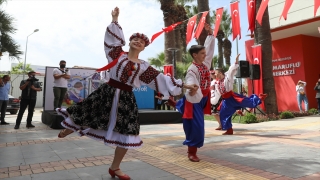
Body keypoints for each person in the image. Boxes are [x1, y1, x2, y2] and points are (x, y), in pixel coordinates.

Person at [55, 7, 198, 180]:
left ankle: (115, 167)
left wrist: (186, 86)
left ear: (144, 47)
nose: (138, 41)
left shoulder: (144, 67)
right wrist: (115, 19)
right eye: (135, 39)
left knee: (128, 132)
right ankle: (72, 127)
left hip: (126, 98)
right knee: (89, 113)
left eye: (142, 41)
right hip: (107, 92)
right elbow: (111, 40)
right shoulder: (117, 55)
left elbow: (162, 80)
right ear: (129, 42)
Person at [167, 23, 215, 162]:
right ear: (195, 55)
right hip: (195, 100)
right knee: (196, 126)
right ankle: (191, 152)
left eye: (205, 54)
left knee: (195, 122)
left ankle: (177, 104)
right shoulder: (192, 70)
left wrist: (210, 34)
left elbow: (210, 50)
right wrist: (192, 89)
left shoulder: (205, 63)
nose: (206, 55)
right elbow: (191, 83)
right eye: (202, 54)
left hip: (204, 97)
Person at [212, 55, 267, 135]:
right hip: (226, 100)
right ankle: (229, 130)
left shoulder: (228, 77)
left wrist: (236, 61)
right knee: (223, 114)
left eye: (216, 74)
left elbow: (231, 70)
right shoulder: (217, 83)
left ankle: (259, 98)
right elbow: (217, 93)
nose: (215, 75)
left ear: (220, 73)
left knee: (247, 103)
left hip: (232, 97)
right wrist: (213, 100)